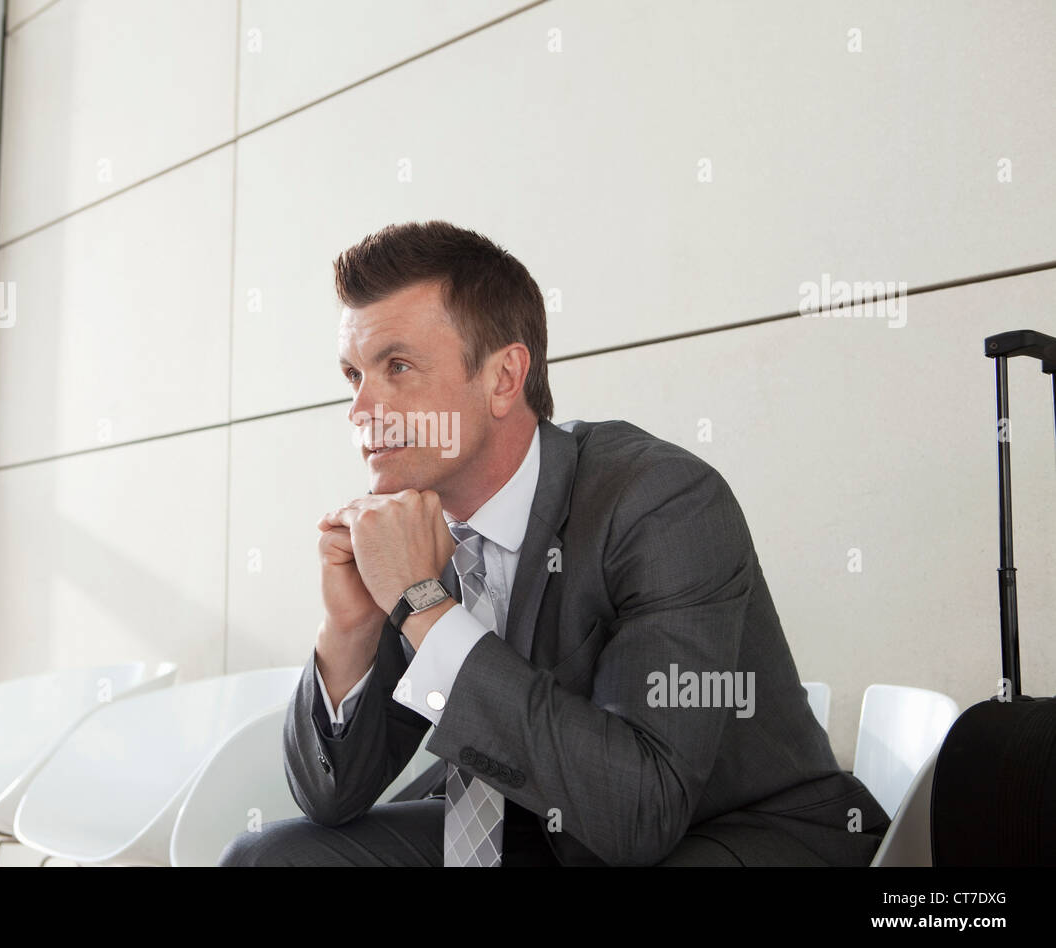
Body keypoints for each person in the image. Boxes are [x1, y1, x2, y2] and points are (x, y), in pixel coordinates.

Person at [219, 220, 889, 866]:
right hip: (537, 829)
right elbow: (331, 797)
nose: (362, 412)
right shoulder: (414, 532)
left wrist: (422, 605)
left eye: (397, 366)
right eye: (354, 375)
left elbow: (640, 810)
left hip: (723, 832)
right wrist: (351, 628)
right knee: (269, 858)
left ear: (504, 378)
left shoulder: (662, 502)